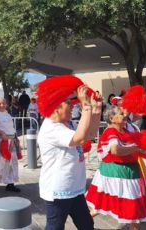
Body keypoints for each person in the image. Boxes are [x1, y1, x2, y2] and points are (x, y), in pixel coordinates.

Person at [37, 77, 102, 230]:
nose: (73, 106)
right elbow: (79, 138)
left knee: (86, 224)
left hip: (75, 188)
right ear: (56, 107)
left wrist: (96, 109)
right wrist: (85, 105)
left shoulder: (68, 123)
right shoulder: (51, 128)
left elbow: (90, 134)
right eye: (69, 103)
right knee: (55, 226)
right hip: (59, 190)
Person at [86, 106, 146, 230]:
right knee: (131, 209)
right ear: (111, 118)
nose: (125, 114)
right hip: (116, 174)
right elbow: (115, 150)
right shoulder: (111, 132)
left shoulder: (125, 130)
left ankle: (85, 224)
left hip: (128, 173)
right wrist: (136, 148)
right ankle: (85, 225)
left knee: (128, 209)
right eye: (121, 113)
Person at [0, 98, 21, 192]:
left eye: (3, 103)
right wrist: (2, 133)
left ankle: (10, 183)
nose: (2, 105)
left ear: (6, 104)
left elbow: (10, 127)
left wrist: (15, 137)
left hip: (10, 141)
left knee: (11, 163)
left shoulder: (7, 113)